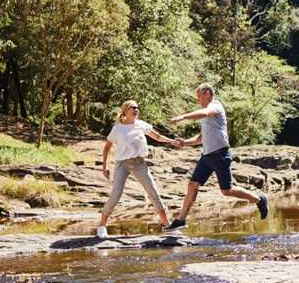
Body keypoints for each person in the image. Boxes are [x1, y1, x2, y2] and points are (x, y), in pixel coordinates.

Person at [166, 83, 268, 230]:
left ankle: (259, 199)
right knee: (192, 185)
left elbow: (205, 113)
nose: (198, 100)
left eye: (199, 96)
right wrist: (185, 143)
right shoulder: (206, 113)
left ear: (207, 93)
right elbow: (201, 138)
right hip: (207, 157)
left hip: (220, 155)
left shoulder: (215, 106)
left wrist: (182, 117)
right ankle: (181, 219)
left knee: (226, 190)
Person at [97, 100, 180, 238]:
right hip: (122, 164)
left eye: (137, 108)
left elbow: (157, 137)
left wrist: (172, 141)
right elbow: (107, 148)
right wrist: (104, 166)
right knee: (116, 194)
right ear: (125, 111)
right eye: (133, 108)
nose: (136, 110)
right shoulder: (118, 128)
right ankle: (101, 226)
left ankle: (168, 226)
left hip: (139, 163)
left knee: (153, 192)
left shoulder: (142, 125)